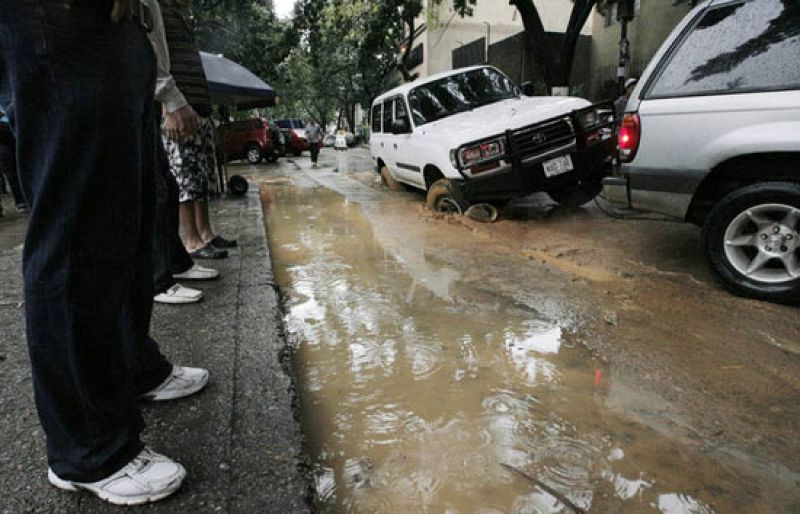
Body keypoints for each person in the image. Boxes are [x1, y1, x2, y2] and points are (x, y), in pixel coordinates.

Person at [0, 0, 208, 505]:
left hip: (117, 25)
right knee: (80, 225)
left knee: (128, 220)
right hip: (59, 19)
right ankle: (88, 446)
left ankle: (134, 366)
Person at [147, 0, 218, 304]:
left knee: (169, 184)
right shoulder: (157, 8)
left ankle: (176, 263)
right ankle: (158, 277)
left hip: (178, 102)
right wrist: (168, 97)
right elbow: (151, 48)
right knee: (163, 186)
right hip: (164, 101)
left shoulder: (177, 16)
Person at [160, 0, 236, 260]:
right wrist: (168, 105)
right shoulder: (158, 11)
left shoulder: (181, 17)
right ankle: (191, 239)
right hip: (179, 107)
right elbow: (158, 63)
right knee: (185, 178)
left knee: (202, 176)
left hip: (198, 109)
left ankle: (206, 233)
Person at [0, 105, 27, 213]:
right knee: (16, 167)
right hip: (10, 125)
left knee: (11, 169)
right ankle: (22, 199)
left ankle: (21, 201)